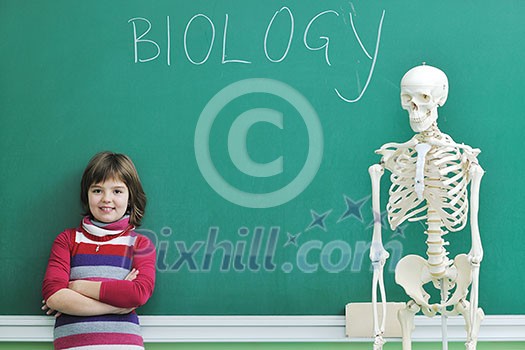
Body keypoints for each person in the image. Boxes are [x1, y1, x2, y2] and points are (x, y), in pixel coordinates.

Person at [42, 151, 156, 349]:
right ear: (87, 194)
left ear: (130, 197)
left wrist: (76, 287)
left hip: (123, 345)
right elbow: (53, 295)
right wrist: (116, 305)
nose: (106, 199)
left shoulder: (140, 244)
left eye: (117, 191)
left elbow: (137, 294)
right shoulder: (67, 240)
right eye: (97, 190)